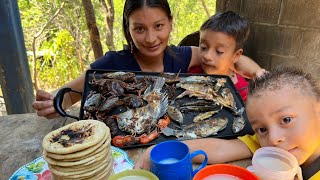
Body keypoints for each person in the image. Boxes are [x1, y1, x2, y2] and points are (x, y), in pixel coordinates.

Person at [32, 0, 263, 119]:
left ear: (170, 23)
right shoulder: (112, 64)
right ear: (128, 28)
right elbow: (69, 94)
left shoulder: (182, 56)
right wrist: (53, 104)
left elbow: (229, 58)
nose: (151, 38)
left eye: (159, 26)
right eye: (140, 28)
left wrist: (259, 73)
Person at [135, 66, 320, 180]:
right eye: (262, 129)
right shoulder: (275, 147)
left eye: (286, 120)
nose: (274, 139)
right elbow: (219, 149)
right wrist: (158, 149)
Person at [188, 11, 251, 102]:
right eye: (203, 47)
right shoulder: (192, 74)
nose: (207, 56)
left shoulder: (242, 92)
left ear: (236, 55)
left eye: (219, 51)